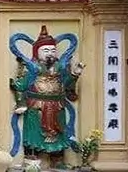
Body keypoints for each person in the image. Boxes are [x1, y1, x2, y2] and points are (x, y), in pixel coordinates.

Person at [10, 25, 84, 164]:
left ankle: (57, 159)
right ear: (37, 52)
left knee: (58, 132)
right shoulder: (30, 68)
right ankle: (32, 159)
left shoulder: (60, 68)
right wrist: (21, 103)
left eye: (52, 50)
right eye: (45, 50)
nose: (50, 53)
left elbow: (67, 84)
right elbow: (19, 86)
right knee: (34, 133)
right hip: (36, 106)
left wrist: (75, 74)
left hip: (57, 106)